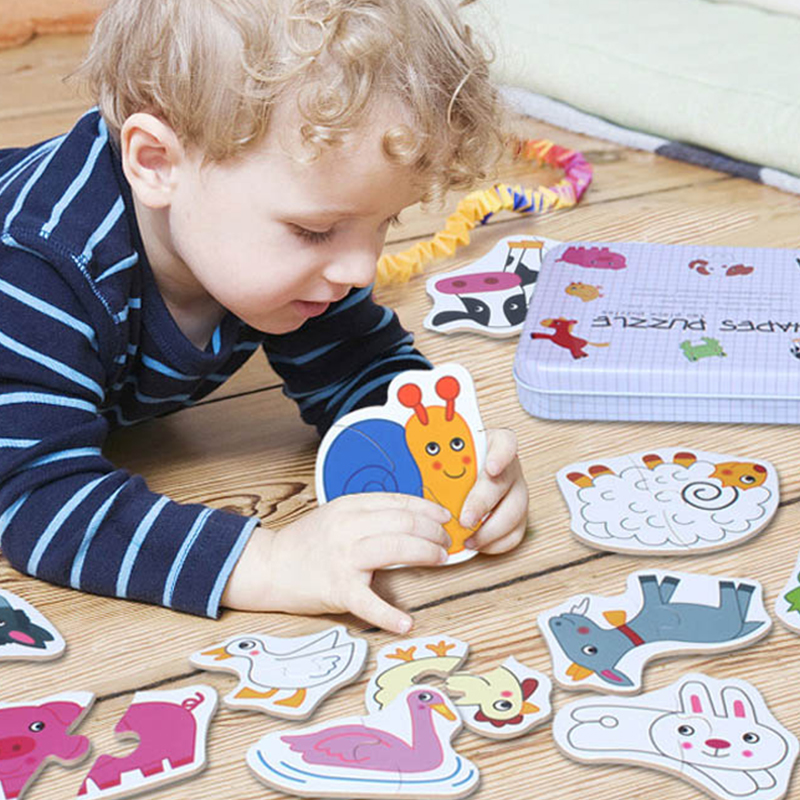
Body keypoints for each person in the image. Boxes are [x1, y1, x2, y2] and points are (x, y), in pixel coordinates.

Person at [0, 0, 528, 633]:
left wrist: (457, 467)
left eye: (384, 221)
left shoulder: (276, 254)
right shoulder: (41, 268)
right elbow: (38, 499)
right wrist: (269, 561)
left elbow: (361, 369)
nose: (361, 268)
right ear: (157, 163)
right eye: (315, 230)